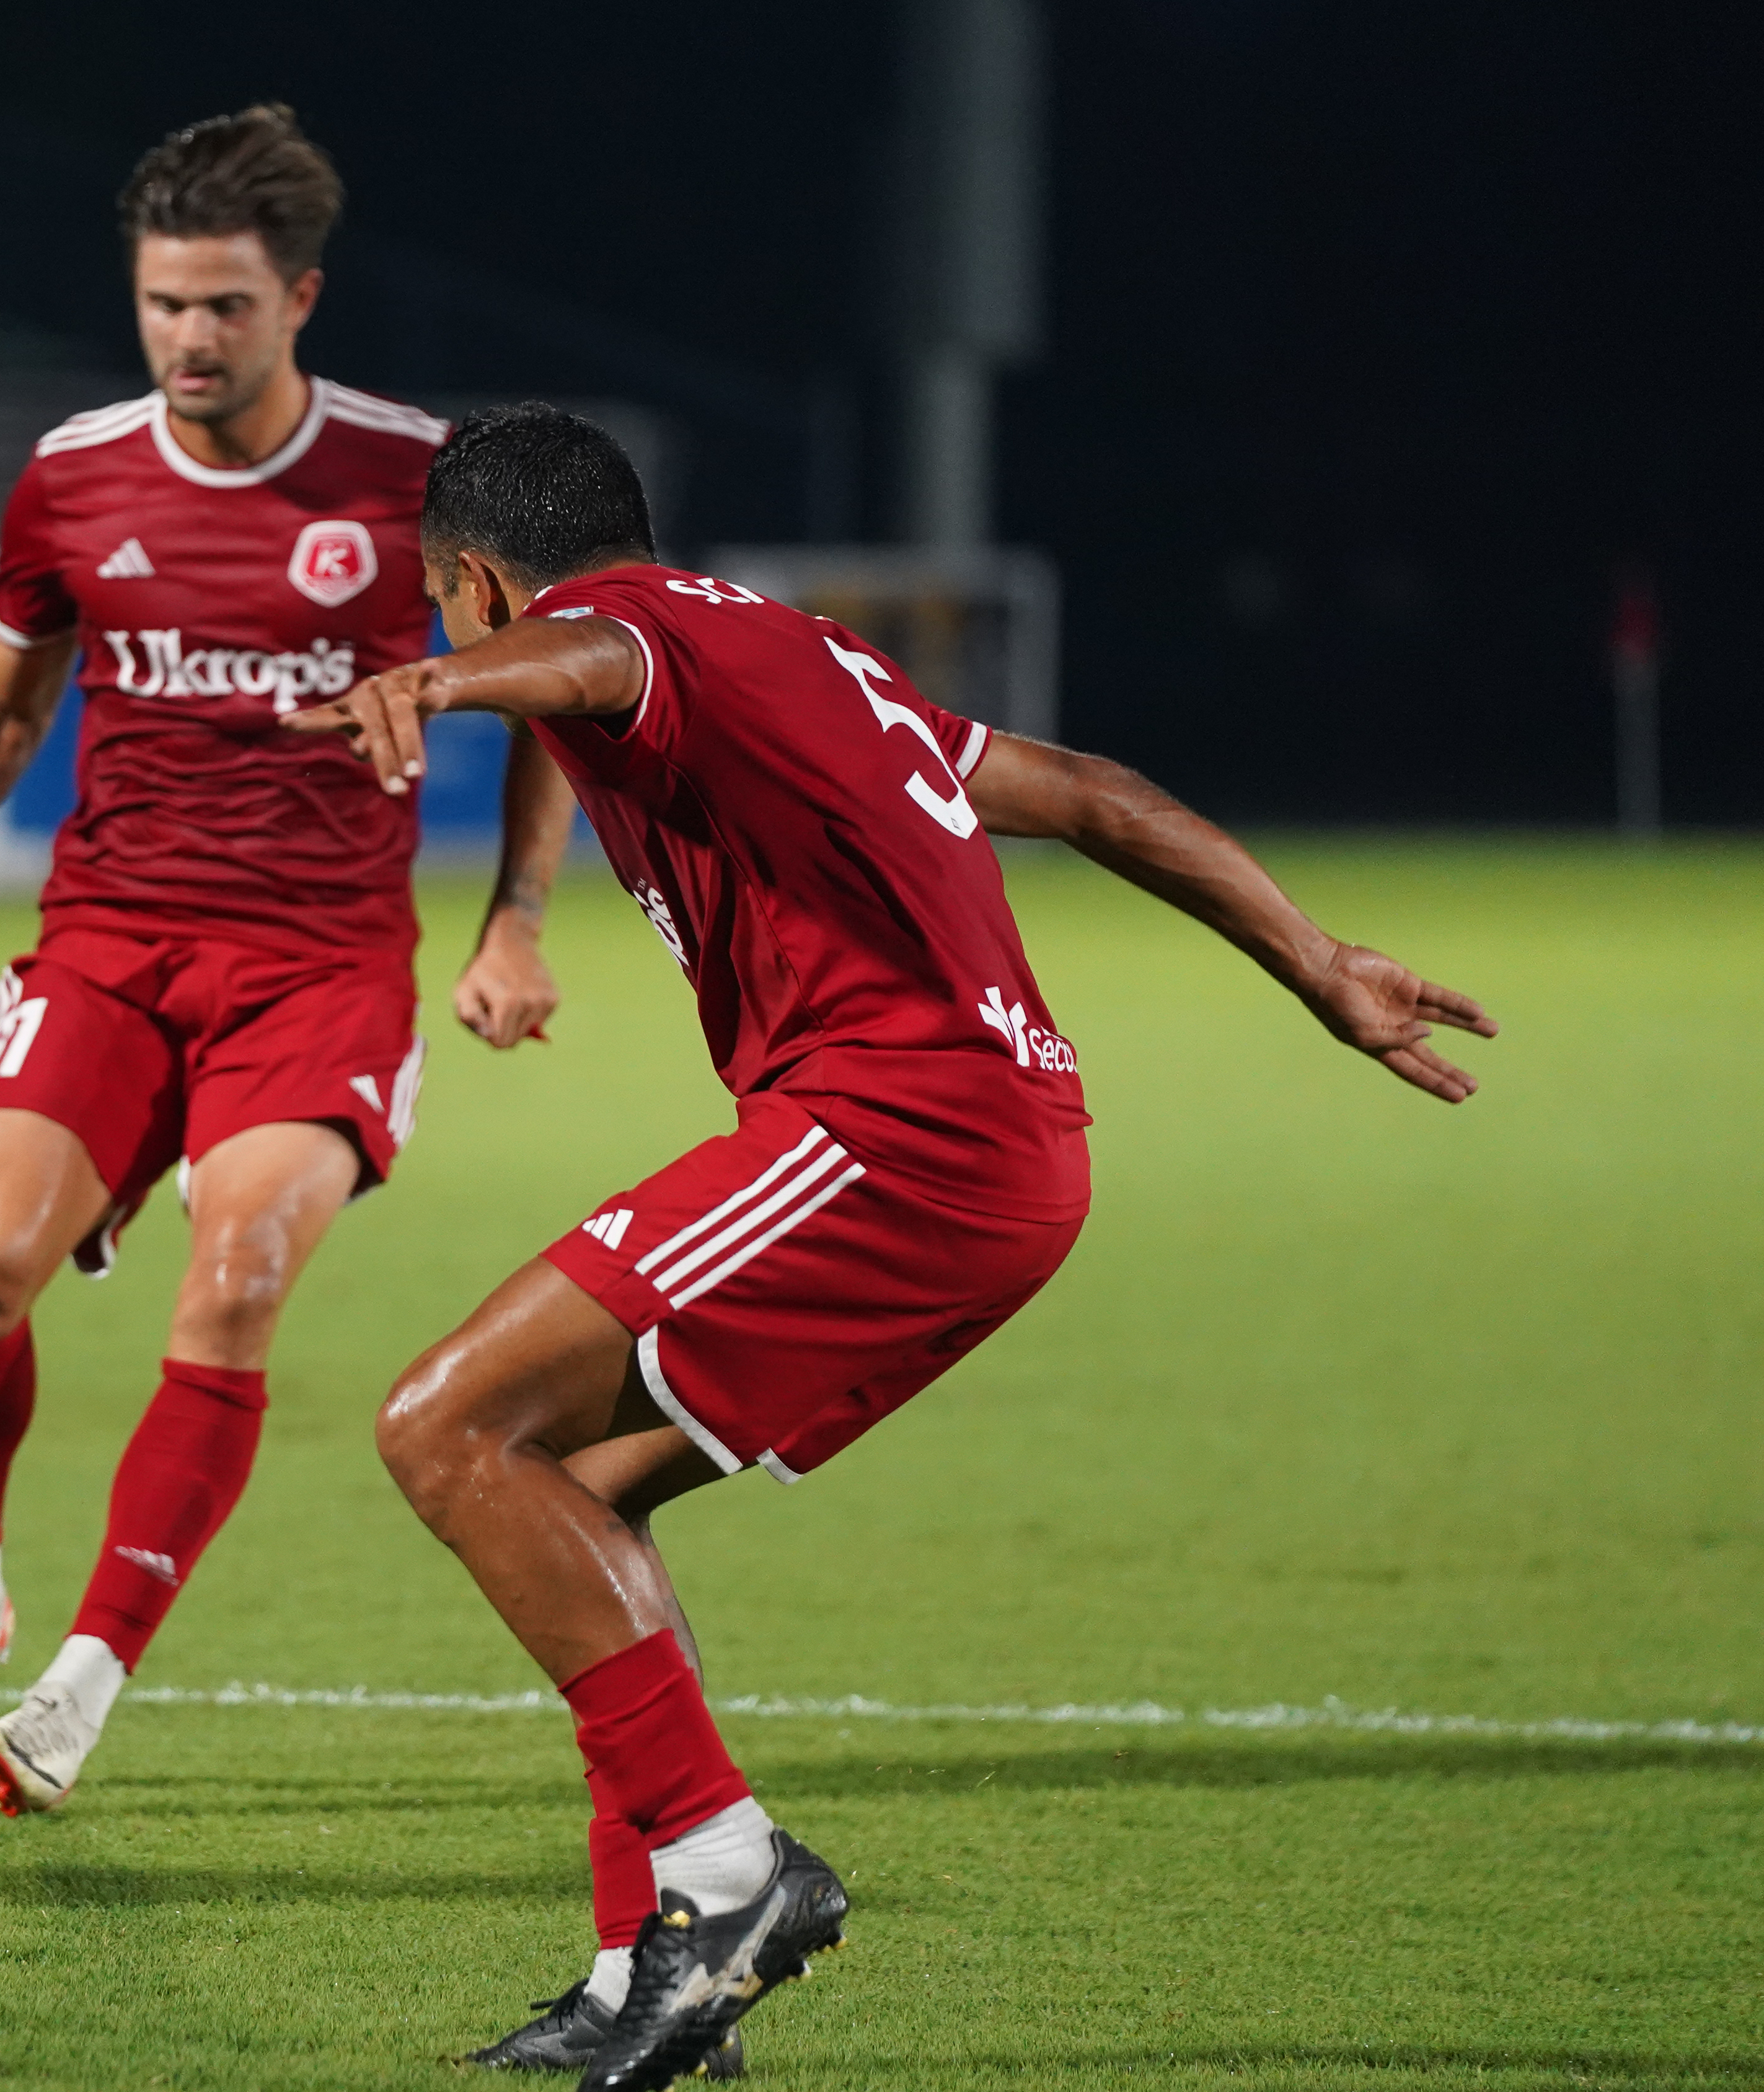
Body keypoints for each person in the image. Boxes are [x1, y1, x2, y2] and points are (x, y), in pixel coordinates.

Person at [283, 405, 1495, 2087]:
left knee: (441, 1426)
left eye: (438, 606)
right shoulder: (800, 653)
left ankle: (732, 1876)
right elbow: (1087, 791)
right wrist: (1317, 961)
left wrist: (440, 687)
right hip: (996, 1151)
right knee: (579, 1483)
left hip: (899, 1135)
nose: (439, 633)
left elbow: (582, 660)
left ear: (475, 578)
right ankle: (655, 1978)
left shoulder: (636, 637)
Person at [0, 106, 577, 1817]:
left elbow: (556, 690)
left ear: (300, 298)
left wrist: (515, 921)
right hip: (115, 944)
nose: (190, 339)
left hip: (322, 966)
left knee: (236, 1282)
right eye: (163, 306)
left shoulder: (413, 476)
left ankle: (85, 1678)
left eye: (224, 307)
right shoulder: (73, 476)